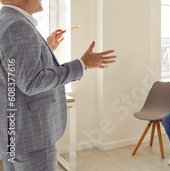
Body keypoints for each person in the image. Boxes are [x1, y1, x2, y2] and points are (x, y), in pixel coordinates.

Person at [0, 0, 116, 170]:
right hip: (31, 137)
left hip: (12, 135)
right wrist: (82, 64)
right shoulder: (18, 25)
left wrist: (47, 46)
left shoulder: (5, 20)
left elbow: (13, 71)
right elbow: (32, 82)